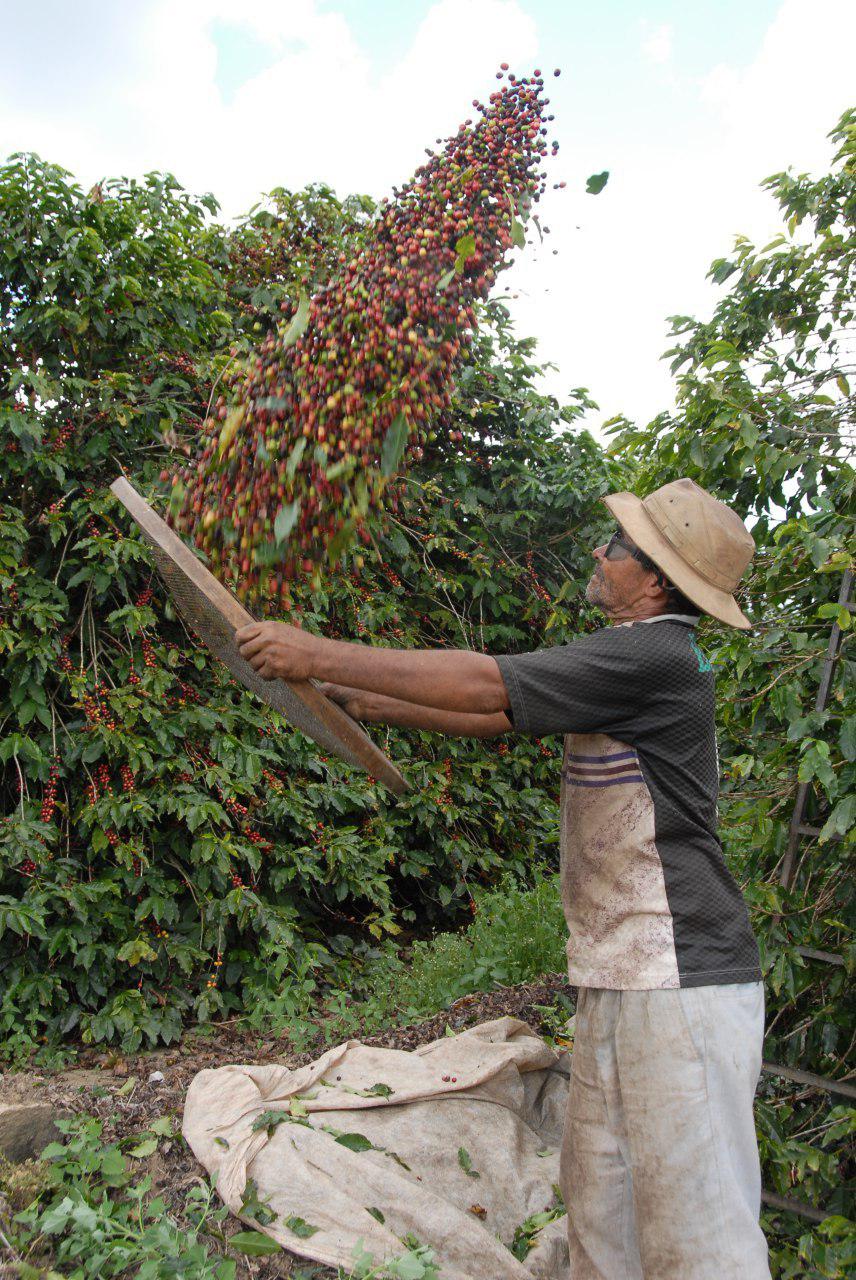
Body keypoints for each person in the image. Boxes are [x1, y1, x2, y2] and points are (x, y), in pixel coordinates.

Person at [235, 476, 771, 1280]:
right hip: (625, 973)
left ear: (655, 579)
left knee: (700, 1233)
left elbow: (491, 681)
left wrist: (316, 653)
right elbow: (498, 715)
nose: (600, 552)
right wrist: (368, 702)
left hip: (681, 979)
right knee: (603, 1204)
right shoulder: (641, 660)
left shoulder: (651, 653)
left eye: (617, 546)